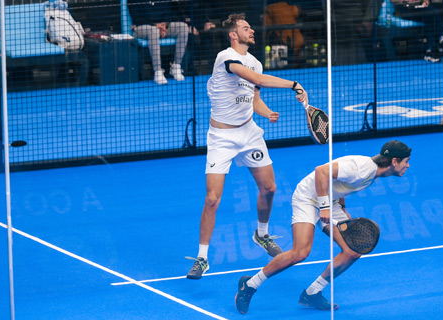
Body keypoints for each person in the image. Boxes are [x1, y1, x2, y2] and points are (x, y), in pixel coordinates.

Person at [186, 13, 309, 280]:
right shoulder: (226, 57)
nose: (251, 30)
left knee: (269, 188)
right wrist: (294, 85)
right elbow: (260, 81)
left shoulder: (254, 62)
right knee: (212, 199)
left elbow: (254, 97)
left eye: (251, 27)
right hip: (221, 138)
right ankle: (203, 257)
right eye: (245, 28)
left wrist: (266, 113)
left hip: (249, 133)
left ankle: (262, 235)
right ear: (233, 35)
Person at [235, 140, 412, 313]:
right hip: (308, 197)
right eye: (406, 161)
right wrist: (325, 207)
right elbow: (321, 172)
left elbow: (339, 183)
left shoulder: (372, 174)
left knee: (353, 250)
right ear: (394, 161)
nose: (408, 165)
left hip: (329, 200)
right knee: (300, 252)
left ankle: (312, 293)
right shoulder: (363, 168)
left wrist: (341, 208)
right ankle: (250, 284)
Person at [128, 0, 189, 85]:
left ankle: (176, 66)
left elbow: (169, 13)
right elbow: (137, 18)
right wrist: (155, 25)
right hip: (141, 27)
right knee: (154, 31)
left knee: (183, 27)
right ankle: (158, 71)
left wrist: (165, 25)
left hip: (162, 26)